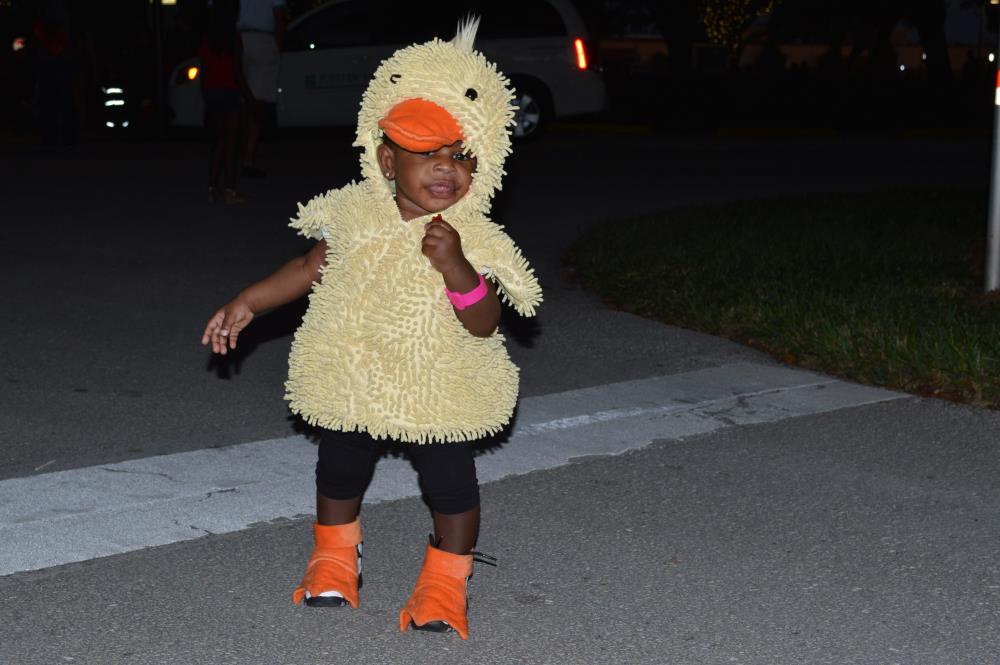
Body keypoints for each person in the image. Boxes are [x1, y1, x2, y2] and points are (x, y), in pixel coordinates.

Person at [200, 19, 541, 640]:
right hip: (355, 376)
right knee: (338, 467)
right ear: (386, 159)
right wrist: (248, 301)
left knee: (449, 481)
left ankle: (446, 578)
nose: (446, 169)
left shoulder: (474, 236)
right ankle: (335, 554)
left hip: (437, 385)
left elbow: (484, 322)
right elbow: (309, 267)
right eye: (427, 153)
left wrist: (457, 266)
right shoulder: (354, 213)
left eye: (461, 155)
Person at [199, 0, 253, 203]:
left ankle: (212, 188)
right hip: (229, 91)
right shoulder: (233, 37)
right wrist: (249, 97)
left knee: (218, 141)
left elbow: (204, 68)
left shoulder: (207, 38)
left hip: (211, 91)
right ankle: (230, 190)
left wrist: (205, 94)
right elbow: (237, 71)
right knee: (231, 143)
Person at [235, 0, 286, 177]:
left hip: (237, 38)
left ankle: (239, 154)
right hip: (262, 39)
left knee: (242, 101)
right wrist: (277, 47)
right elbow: (279, 16)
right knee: (257, 102)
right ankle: (247, 158)